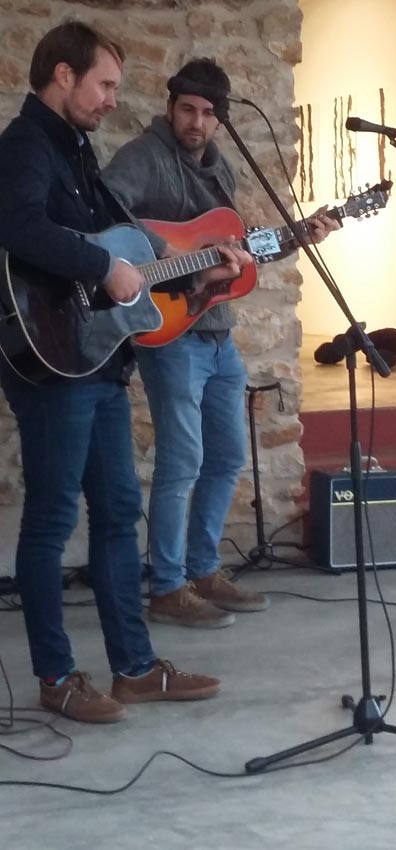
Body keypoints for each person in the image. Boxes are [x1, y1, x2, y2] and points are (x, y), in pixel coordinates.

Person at [0, 24, 251, 722]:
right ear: (62, 75)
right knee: (52, 520)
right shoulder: (25, 146)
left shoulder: (77, 149)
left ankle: (135, 669)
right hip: (52, 359)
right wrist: (102, 266)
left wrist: (196, 277)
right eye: (105, 84)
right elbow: (17, 227)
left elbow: (128, 259)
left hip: (98, 357)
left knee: (117, 512)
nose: (114, 99)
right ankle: (57, 677)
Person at [103, 58, 339, 629]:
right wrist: (174, 256)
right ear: (170, 108)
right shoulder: (143, 156)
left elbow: (235, 254)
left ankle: (204, 569)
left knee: (229, 454)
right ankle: (167, 586)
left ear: (220, 119)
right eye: (188, 109)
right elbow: (104, 212)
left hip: (216, 332)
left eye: (209, 114)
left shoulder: (220, 169)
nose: (197, 122)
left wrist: (297, 237)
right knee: (182, 461)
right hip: (170, 332)